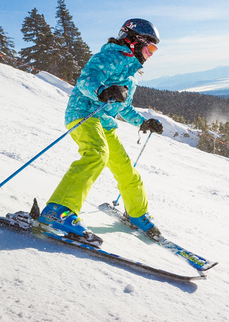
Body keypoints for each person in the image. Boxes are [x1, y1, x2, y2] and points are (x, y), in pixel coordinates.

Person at [37, 18, 164, 244]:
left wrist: (143, 123)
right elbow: (86, 80)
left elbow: (123, 108)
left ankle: (136, 213)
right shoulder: (109, 57)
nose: (151, 54)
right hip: (83, 113)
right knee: (96, 154)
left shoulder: (131, 74)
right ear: (135, 40)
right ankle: (58, 210)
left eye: (154, 49)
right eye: (150, 47)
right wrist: (102, 91)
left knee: (126, 170)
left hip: (105, 122)